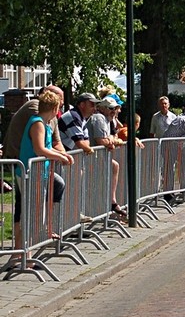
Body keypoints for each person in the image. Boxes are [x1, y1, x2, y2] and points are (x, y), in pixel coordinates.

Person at [6, 89, 75, 257]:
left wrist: (61, 154)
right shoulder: (37, 123)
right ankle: (23, 256)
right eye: (58, 108)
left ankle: (25, 254)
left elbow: (49, 147)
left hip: (38, 173)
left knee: (31, 214)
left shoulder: (44, 124)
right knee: (28, 215)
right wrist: (60, 158)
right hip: (29, 173)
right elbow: (40, 148)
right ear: (53, 108)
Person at [86, 97, 128, 219]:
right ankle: (110, 203)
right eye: (110, 108)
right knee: (113, 167)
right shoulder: (99, 118)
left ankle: (111, 201)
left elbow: (111, 138)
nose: (113, 111)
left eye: (115, 108)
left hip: (95, 157)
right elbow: (102, 141)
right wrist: (112, 141)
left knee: (114, 165)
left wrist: (112, 140)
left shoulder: (106, 119)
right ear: (102, 108)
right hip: (89, 157)